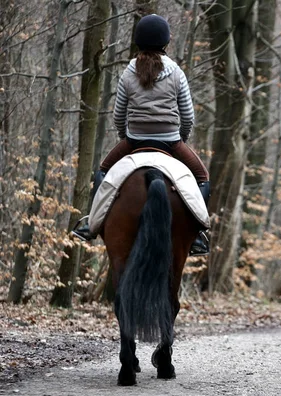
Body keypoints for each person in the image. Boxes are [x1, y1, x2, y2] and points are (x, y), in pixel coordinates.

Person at [72, 14, 210, 256]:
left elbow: (118, 115)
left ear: (138, 42)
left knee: (102, 172)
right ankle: (198, 234)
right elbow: (188, 116)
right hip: (171, 141)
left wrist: (127, 137)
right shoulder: (177, 73)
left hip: (134, 139)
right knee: (202, 176)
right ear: (166, 42)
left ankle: (90, 224)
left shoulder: (128, 73)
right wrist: (180, 140)